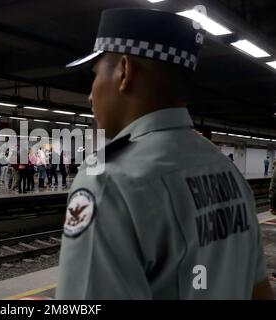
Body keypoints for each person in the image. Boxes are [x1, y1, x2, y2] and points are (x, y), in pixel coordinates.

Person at [57, 8, 273, 300]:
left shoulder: (110, 180)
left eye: (94, 75)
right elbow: (259, 290)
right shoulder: (228, 171)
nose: (91, 95)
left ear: (124, 71)